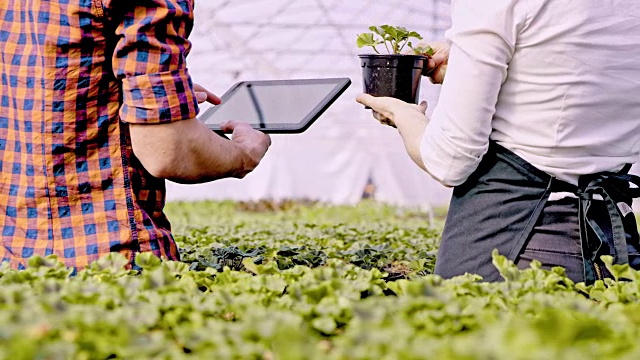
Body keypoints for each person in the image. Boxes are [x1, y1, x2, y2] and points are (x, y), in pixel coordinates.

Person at [357, 0, 640, 283]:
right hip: (615, 248)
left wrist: (404, 114)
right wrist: (468, 59)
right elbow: (568, 72)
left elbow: (450, 161)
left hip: (512, 252)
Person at [0, 1, 271, 270]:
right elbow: (167, 149)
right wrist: (243, 154)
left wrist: (149, 97)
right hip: (111, 263)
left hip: (13, 260)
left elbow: (45, 90)